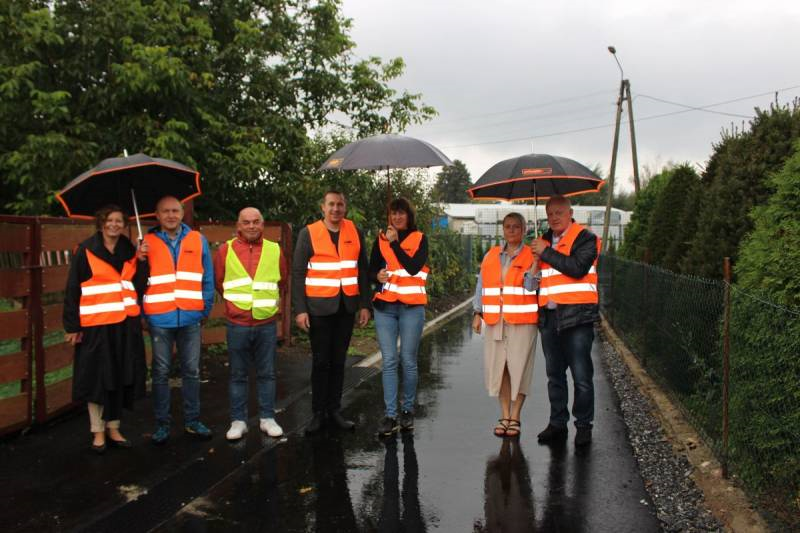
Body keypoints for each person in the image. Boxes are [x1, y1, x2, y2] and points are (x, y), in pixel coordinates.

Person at [63, 205, 147, 453]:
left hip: (124, 325)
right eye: (109, 220)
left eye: (119, 221)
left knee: (120, 375)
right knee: (98, 378)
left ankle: (114, 427)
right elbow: (72, 290)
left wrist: (142, 262)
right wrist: (72, 325)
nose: (114, 225)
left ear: (124, 224)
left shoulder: (129, 249)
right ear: (101, 223)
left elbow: (138, 286)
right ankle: (97, 431)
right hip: (96, 326)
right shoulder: (86, 250)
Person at [292, 190, 371, 434]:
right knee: (321, 361)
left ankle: (334, 410)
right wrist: (300, 310)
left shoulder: (354, 232)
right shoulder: (309, 233)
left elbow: (363, 271)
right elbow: (298, 274)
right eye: (331, 205)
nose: (336, 209)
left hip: (346, 307)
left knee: (339, 361)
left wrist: (364, 305)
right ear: (322, 208)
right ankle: (318, 413)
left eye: (340, 205)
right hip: (318, 308)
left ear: (345, 207)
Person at [143, 196, 215, 445]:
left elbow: (207, 276)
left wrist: (205, 308)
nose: (171, 215)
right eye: (166, 211)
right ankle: (162, 424)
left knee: (191, 371)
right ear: (157, 215)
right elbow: (136, 280)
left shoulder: (197, 239)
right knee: (161, 372)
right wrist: (139, 258)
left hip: (190, 315)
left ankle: (192, 420)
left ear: (182, 213)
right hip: (159, 317)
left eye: (175, 210)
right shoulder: (146, 242)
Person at [532, 194, 600, 447]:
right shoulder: (543, 241)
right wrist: (534, 269)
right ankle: (557, 423)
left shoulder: (586, 238)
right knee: (554, 375)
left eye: (559, 213)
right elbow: (538, 280)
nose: (554, 218)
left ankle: (583, 425)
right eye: (550, 214)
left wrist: (546, 252)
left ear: (570, 213)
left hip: (578, 317)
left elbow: (577, 268)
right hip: (549, 317)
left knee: (582, 376)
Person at [214, 207, 286, 440]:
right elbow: (219, 281)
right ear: (239, 225)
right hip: (238, 323)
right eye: (247, 222)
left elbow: (282, 280)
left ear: (262, 225)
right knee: (238, 374)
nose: (252, 226)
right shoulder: (226, 250)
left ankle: (267, 418)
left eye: (256, 222)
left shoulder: (275, 250)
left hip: (266, 322)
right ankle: (238, 421)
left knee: (267, 373)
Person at [472, 212, 539, 438]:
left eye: (516, 227)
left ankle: (516, 416)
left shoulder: (532, 255)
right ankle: (504, 414)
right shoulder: (491, 255)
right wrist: (477, 312)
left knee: (519, 368)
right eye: (508, 227)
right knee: (500, 368)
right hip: (495, 321)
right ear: (503, 230)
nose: (511, 230)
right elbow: (481, 285)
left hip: (522, 321)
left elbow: (532, 288)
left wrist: (536, 265)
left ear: (523, 230)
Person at [368, 198, 429, 437]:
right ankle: (391, 414)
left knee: (408, 360)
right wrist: (377, 275)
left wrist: (395, 245)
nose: (397, 217)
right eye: (393, 213)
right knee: (390, 360)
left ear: (409, 215)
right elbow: (371, 269)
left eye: (401, 213)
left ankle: (407, 411)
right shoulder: (381, 239)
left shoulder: (419, 239)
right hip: (385, 307)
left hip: (411, 308)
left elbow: (413, 267)